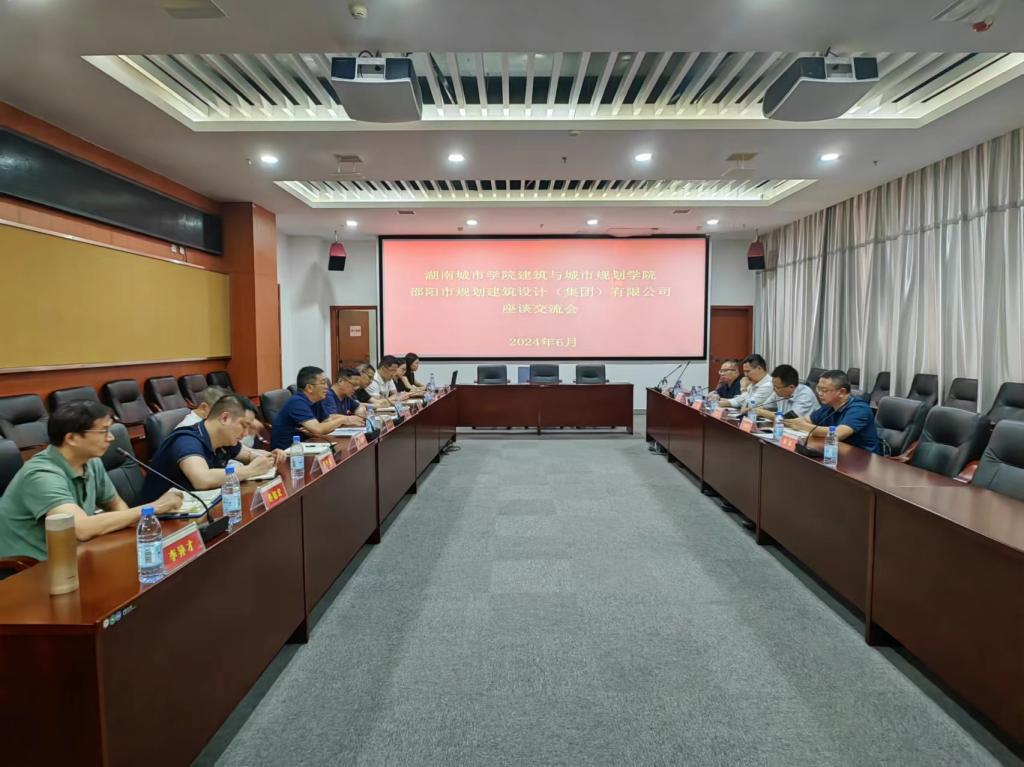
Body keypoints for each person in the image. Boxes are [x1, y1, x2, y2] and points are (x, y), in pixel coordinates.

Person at [0, 401, 182, 561]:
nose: (111, 437)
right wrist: (154, 507)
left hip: (74, 555)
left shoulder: (90, 461)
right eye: (103, 431)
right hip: (28, 568)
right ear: (72, 438)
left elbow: (115, 504)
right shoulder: (41, 474)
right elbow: (81, 528)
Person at [141, 394, 280, 501]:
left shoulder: (224, 439)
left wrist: (269, 456)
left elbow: (249, 454)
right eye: (243, 425)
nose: (245, 433)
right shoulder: (187, 440)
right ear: (224, 418)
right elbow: (202, 479)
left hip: (195, 508)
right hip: (159, 519)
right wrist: (251, 470)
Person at [786, 369, 881, 454]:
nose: (820, 393)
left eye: (824, 390)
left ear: (842, 392)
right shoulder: (829, 405)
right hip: (836, 452)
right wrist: (786, 422)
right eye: (818, 389)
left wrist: (803, 426)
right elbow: (807, 420)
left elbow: (838, 434)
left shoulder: (859, 409)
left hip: (863, 459)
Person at [270, 366, 354, 449]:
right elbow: (318, 429)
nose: (327, 387)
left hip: (309, 444)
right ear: (310, 388)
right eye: (323, 383)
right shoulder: (297, 402)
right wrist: (343, 420)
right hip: (288, 451)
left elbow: (327, 423)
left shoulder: (317, 400)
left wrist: (319, 430)